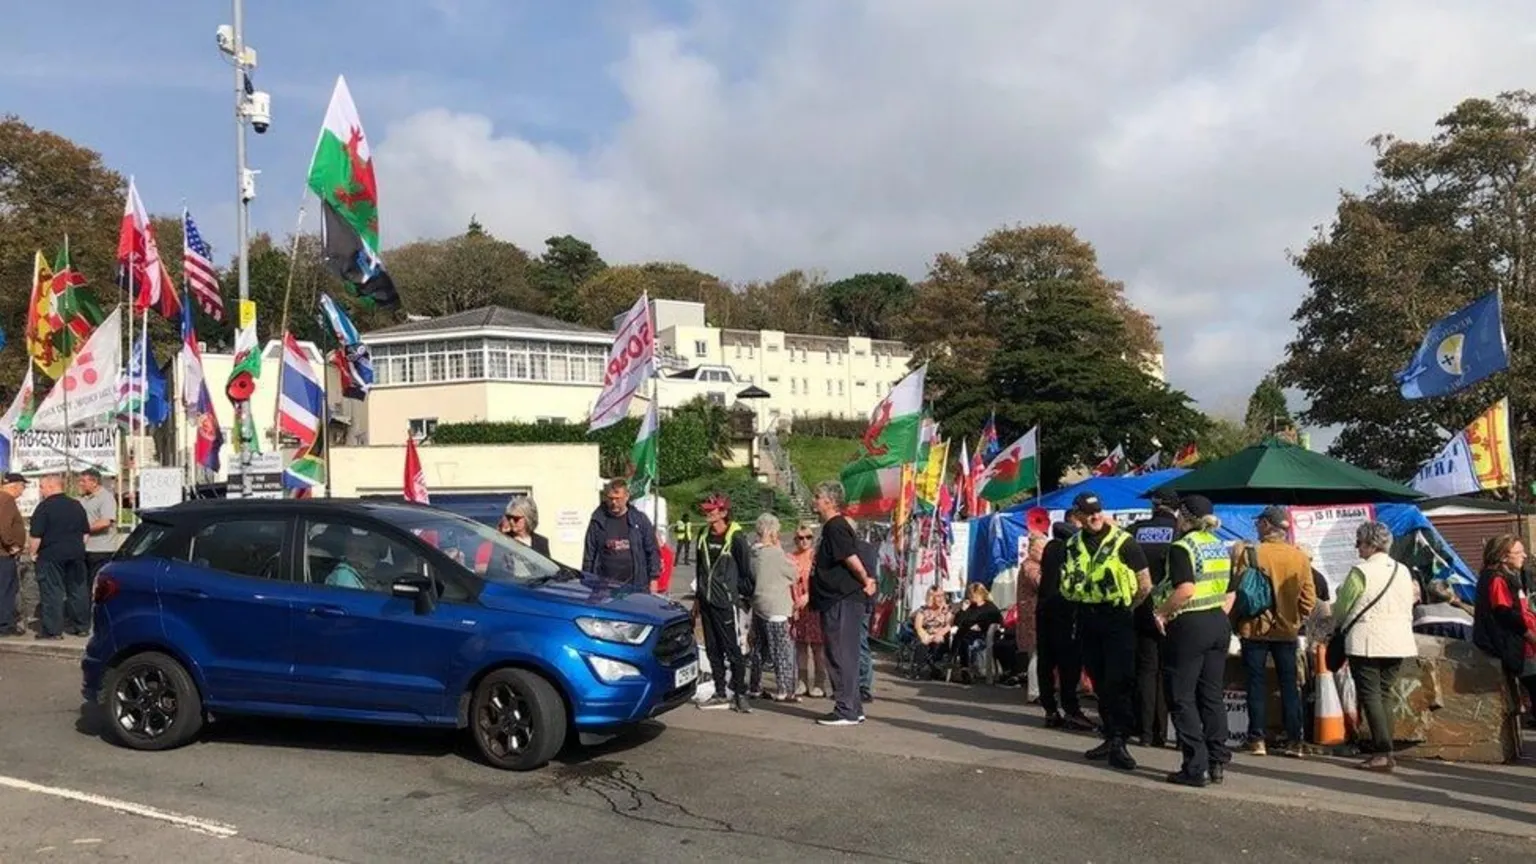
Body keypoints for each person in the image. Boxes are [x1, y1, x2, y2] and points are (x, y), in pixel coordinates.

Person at [1059, 492, 1154, 770]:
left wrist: (1129, 609)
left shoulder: (1124, 542)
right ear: (1077, 516)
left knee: (1119, 680)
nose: (1095, 516)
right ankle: (1109, 735)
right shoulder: (1073, 544)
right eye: (1088, 513)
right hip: (1088, 617)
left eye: (1098, 511)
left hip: (1117, 618)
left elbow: (1145, 584)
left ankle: (1120, 740)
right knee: (1099, 681)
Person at [1152, 495, 1235, 787]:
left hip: (1189, 625)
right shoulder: (1219, 546)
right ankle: (1217, 761)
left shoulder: (1182, 547)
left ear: (1183, 517)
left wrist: (1162, 614)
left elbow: (1185, 589)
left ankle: (1194, 765)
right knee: (1211, 695)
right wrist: (1216, 615)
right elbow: (1230, 592)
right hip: (1217, 621)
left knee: (1181, 696)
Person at [1230, 504, 1316, 758]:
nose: (1256, 526)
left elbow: (1239, 591)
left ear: (1267, 525)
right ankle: (1294, 741)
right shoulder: (1299, 557)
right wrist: (1294, 618)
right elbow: (1309, 599)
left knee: (1255, 684)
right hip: (1287, 631)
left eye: (1258, 522)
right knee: (1290, 685)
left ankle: (1257, 739)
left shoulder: (1251, 553)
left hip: (1254, 628)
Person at [1334, 521, 1416, 773]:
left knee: (1370, 695)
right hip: (1400, 640)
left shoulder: (1361, 572)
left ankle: (1382, 751)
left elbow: (1341, 608)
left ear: (1371, 545)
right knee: (1385, 693)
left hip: (1367, 641)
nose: (1357, 548)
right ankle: (1386, 747)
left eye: (1359, 542)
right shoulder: (1402, 570)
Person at [809, 480, 876, 727]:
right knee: (843, 653)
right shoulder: (833, 527)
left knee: (840, 654)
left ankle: (846, 708)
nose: (814, 500)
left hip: (842, 600)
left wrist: (865, 578)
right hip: (835, 599)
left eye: (817, 496)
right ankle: (854, 707)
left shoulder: (836, 526)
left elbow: (850, 556)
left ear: (829, 501)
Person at [693, 493, 754, 712]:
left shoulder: (736, 538)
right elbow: (699, 569)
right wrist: (697, 601)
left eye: (712, 510)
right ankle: (720, 692)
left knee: (733, 649)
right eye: (706, 510)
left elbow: (747, 573)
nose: (707, 513)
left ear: (723, 513)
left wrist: (742, 600)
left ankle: (739, 693)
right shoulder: (702, 534)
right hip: (707, 602)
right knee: (712, 648)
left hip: (727, 604)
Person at [1128, 490, 1178, 749]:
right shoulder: (1181, 532)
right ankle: (1170, 734)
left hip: (1141, 608)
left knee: (1146, 671)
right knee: (1171, 673)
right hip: (1173, 611)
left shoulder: (1136, 530)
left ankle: (1147, 733)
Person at [1472, 534, 1536, 731]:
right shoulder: (1497, 579)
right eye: (1519, 552)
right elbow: (1504, 612)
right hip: (1514, 645)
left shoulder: (1503, 576)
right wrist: (1529, 635)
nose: (1524, 555)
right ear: (1503, 556)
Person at [1037, 513, 1095, 731]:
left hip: (1044, 609)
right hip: (1065, 609)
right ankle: (1071, 710)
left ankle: (1050, 709)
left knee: (1046, 661)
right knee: (1068, 662)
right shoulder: (1071, 548)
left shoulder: (1049, 548)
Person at [29, 473, 90, 640]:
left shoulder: (44, 507)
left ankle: (53, 631)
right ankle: (82, 627)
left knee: (52, 593)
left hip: (51, 556)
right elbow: (85, 533)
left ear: (51, 486)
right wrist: (78, 548)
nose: (40, 490)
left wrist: (33, 553)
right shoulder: (76, 505)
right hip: (76, 554)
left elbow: (36, 536)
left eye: (41, 486)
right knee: (78, 590)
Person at [748, 513, 799, 702]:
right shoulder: (776, 554)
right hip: (777, 606)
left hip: (759, 604)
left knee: (759, 648)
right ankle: (785, 688)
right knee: (781, 649)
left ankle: (754, 686)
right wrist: (781, 551)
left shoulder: (753, 552)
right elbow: (793, 574)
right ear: (771, 532)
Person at [580, 478, 661, 593]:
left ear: (626, 496)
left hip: (636, 585)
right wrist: (587, 581)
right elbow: (589, 554)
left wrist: (654, 580)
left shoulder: (639, 520)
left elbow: (652, 550)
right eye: (610, 498)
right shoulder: (598, 521)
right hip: (604, 588)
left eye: (617, 499)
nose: (613, 502)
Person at [789, 522, 828, 697]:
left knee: (818, 647)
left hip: (815, 606)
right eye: (800, 538)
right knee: (800, 645)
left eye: (808, 537)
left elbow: (823, 582)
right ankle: (802, 681)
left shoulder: (817, 557)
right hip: (797, 607)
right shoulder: (790, 557)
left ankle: (820, 682)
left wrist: (809, 596)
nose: (804, 541)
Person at [953, 582, 1003, 683]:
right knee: (961, 639)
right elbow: (957, 622)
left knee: (964, 641)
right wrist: (962, 610)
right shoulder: (970, 606)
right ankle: (964, 669)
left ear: (981, 594)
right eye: (970, 595)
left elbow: (997, 621)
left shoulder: (990, 607)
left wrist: (980, 626)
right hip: (965, 633)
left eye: (974, 595)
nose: (972, 598)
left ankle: (964, 669)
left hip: (982, 635)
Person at [1013, 533, 1044, 690]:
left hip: (1033, 613)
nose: (1044, 552)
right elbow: (1039, 583)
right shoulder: (1030, 566)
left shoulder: (1031, 565)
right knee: (1036, 653)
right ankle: (1034, 691)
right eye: (1042, 548)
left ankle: (1037, 689)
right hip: (1032, 614)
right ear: (1033, 549)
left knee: (1037, 652)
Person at [77, 469, 117, 581]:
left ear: (94, 482)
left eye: (83, 481)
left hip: (101, 550)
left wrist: (83, 530)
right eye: (80, 481)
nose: (81, 484)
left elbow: (105, 522)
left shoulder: (106, 498)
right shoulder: (83, 498)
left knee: (96, 583)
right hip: (85, 549)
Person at [0, 473, 27, 637]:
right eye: (23, 487)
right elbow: (3, 526)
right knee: (6, 590)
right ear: (15, 485)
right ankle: (4, 625)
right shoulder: (6, 500)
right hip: (3, 554)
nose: (22, 491)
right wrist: (12, 544)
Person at [912, 586, 954, 674]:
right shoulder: (923, 610)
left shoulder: (946, 610)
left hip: (940, 635)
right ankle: (917, 667)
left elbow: (949, 625)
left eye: (942, 595)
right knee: (922, 643)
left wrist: (939, 634)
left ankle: (933, 666)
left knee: (938, 642)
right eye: (938, 596)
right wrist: (925, 635)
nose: (941, 598)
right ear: (931, 597)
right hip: (926, 633)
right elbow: (918, 626)